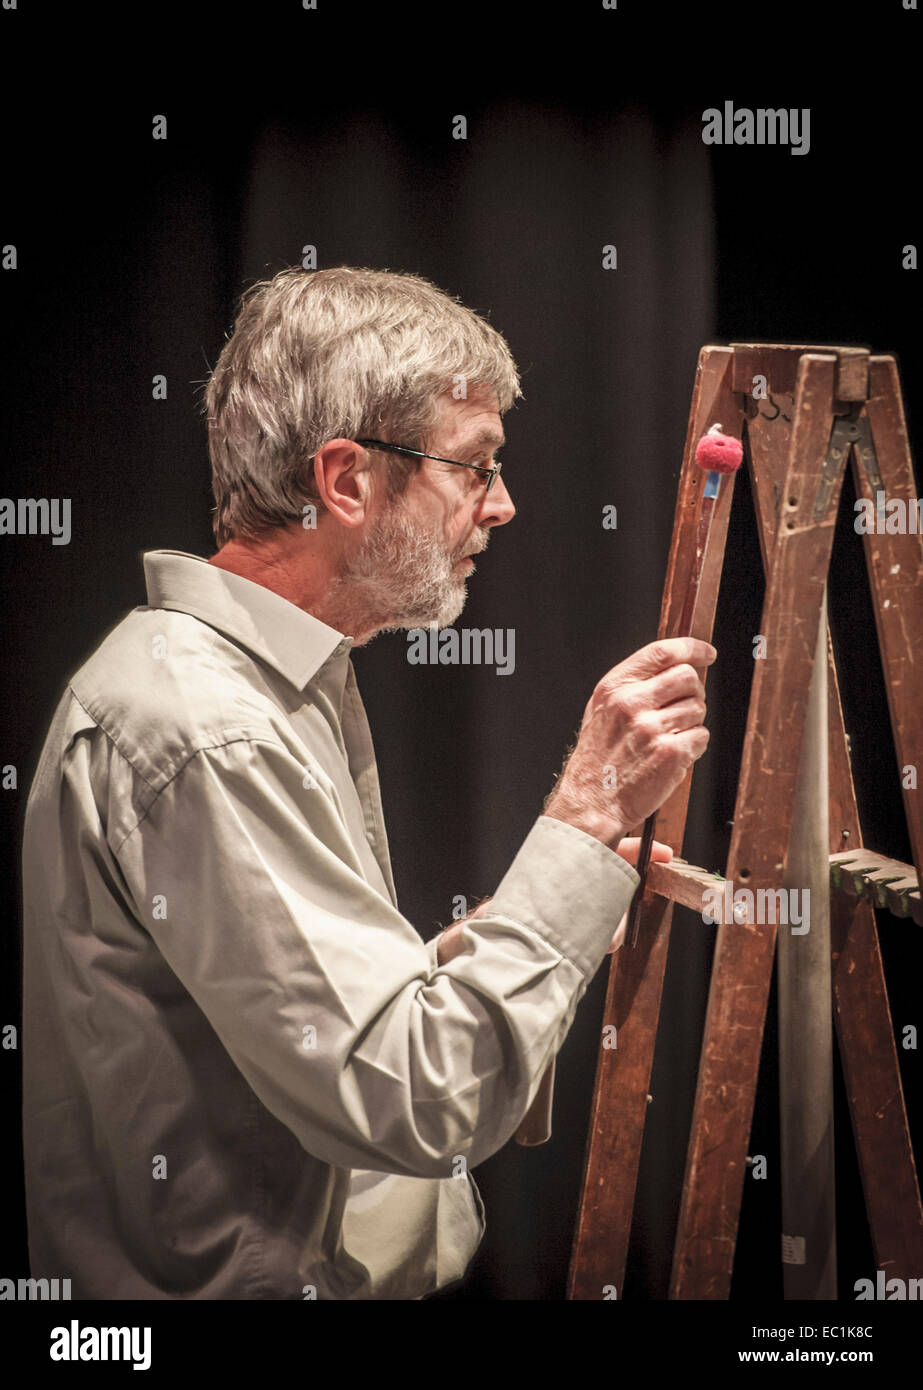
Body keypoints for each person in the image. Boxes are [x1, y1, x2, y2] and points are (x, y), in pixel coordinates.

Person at [21, 265, 714, 1300]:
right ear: (344, 482)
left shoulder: (277, 680)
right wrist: (582, 813)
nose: (503, 505)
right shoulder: (210, 727)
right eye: (475, 467)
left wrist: (519, 939)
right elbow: (406, 1098)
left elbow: (302, 1031)